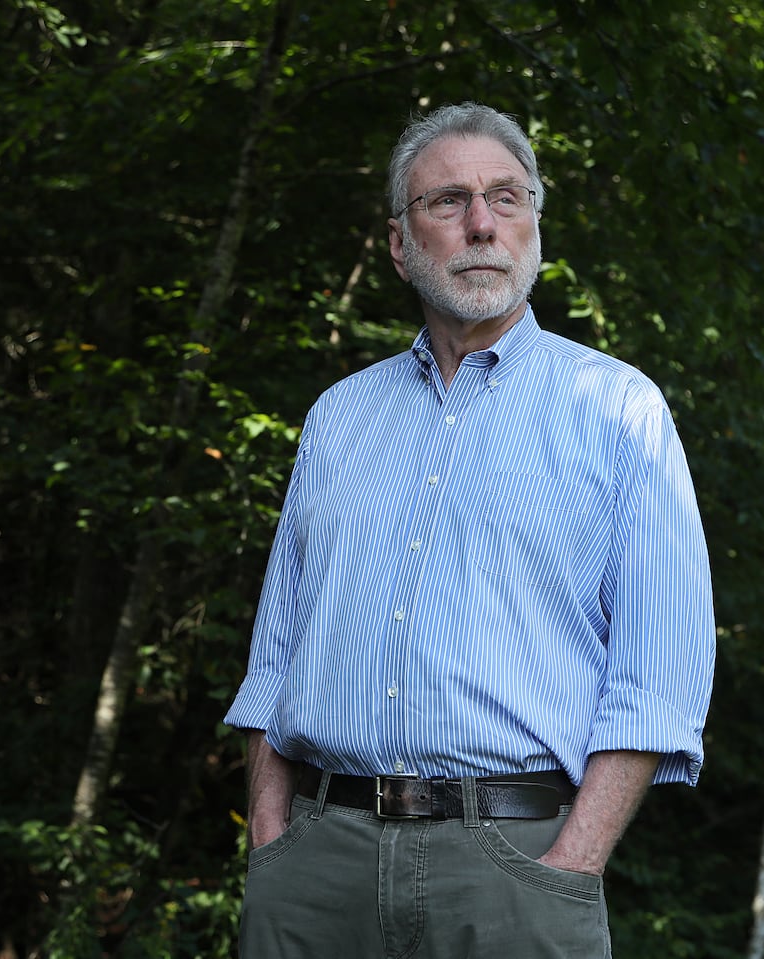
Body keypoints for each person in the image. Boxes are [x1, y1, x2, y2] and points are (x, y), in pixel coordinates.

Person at [223, 101, 716, 959]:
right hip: (317, 868)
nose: (481, 223)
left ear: (535, 222)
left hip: (515, 864)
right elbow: (276, 656)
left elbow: (660, 671)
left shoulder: (617, 409)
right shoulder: (339, 418)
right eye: (447, 202)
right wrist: (272, 834)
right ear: (398, 242)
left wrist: (572, 862)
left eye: (506, 197)